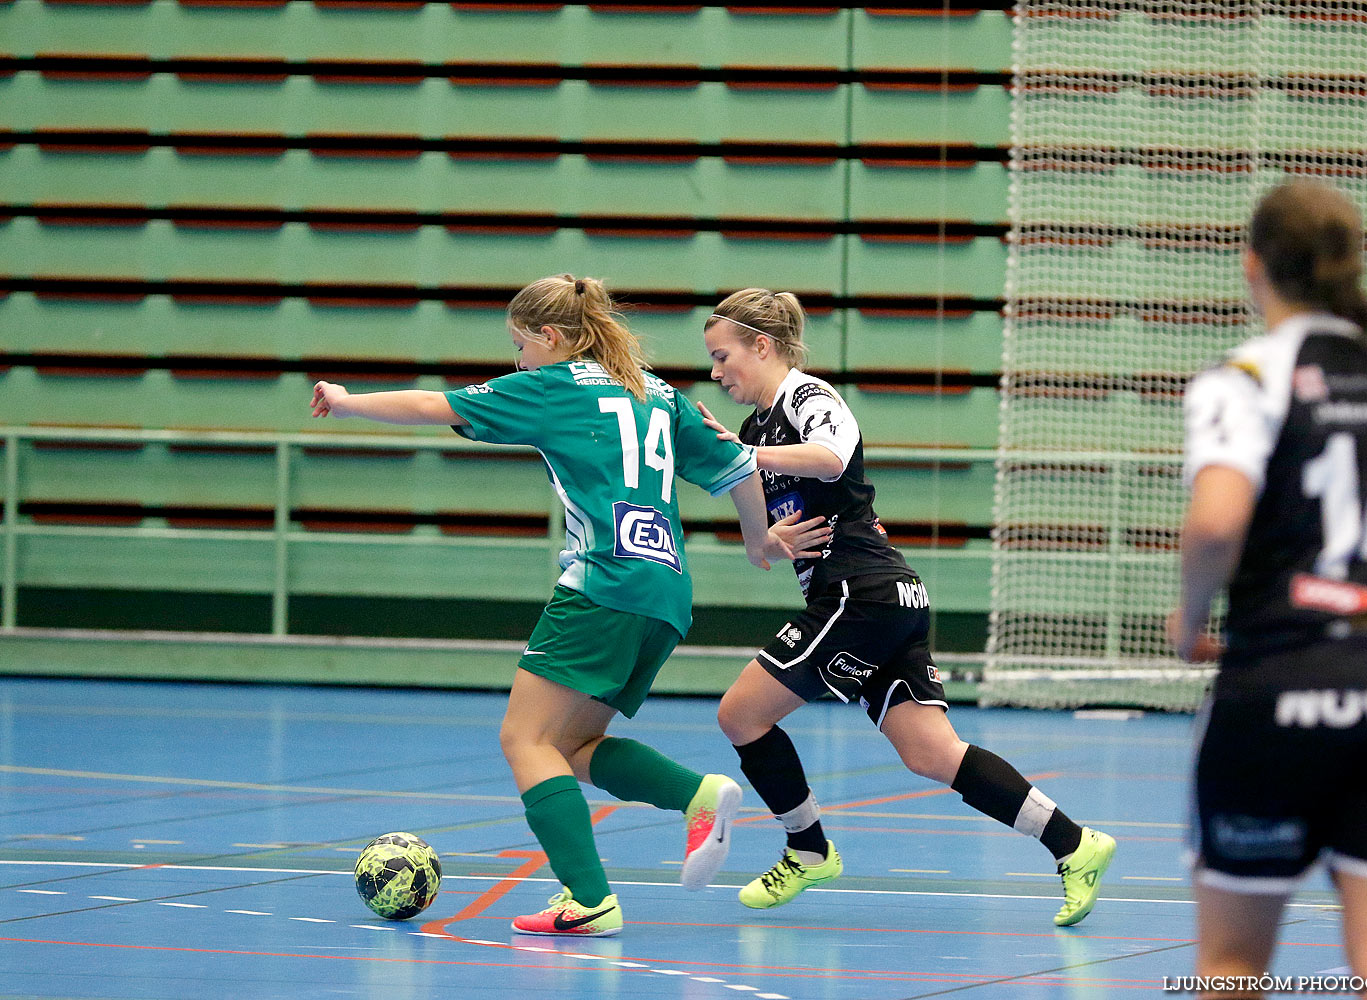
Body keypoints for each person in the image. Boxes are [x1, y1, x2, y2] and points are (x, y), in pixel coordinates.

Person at [311, 274, 811, 938]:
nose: (518, 362)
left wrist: (347, 403)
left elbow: (438, 406)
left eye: (520, 346)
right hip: (664, 593)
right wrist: (758, 542)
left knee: (523, 738)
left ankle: (590, 897)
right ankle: (696, 796)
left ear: (549, 337)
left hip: (602, 585)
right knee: (571, 744)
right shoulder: (655, 391)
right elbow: (740, 467)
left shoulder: (555, 386)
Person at [697, 288, 1116, 926]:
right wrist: (766, 540)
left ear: (764, 345)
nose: (716, 371)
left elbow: (833, 458)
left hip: (858, 595)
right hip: (884, 599)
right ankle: (1075, 844)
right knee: (930, 752)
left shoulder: (811, 397)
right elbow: (761, 534)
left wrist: (747, 454)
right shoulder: (753, 432)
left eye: (723, 356)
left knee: (740, 715)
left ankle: (808, 850)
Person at [1168, 180, 1367, 996]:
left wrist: (1187, 623)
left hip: (1281, 686)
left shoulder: (1248, 376)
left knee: (1231, 968)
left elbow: (1218, 523)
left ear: (1251, 264)